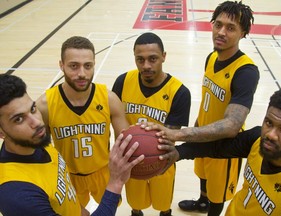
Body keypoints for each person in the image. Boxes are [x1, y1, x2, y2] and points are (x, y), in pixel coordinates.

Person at [149, 1, 258, 215]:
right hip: (203, 133)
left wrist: (179, 134)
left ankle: (211, 210)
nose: (221, 32)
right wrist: (197, 127)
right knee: (202, 173)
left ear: (243, 33)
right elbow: (209, 98)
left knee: (218, 193)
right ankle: (202, 201)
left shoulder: (246, 71)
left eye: (231, 27)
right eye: (218, 24)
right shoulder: (212, 57)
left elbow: (231, 126)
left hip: (224, 145)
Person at [0, 74, 144, 216]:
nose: (37, 122)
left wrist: (79, 209)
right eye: (19, 119)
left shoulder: (35, 143)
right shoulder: (18, 196)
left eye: (32, 109)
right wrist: (115, 183)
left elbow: (61, 187)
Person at [154, 86, 281, 215]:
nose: (271, 134)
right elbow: (217, 148)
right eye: (269, 123)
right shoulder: (256, 139)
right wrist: (179, 152)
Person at [36, 36, 130, 209]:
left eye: (88, 66)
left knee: (109, 210)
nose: (82, 73)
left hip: (103, 171)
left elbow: (126, 141)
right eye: (74, 66)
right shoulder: (45, 105)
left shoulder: (109, 98)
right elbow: (41, 152)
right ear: (61, 65)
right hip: (67, 175)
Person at [112, 32, 191, 216]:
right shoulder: (122, 82)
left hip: (161, 161)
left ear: (164, 56)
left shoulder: (179, 92)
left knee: (163, 204)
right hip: (131, 160)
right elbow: (116, 122)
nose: (146, 65)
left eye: (152, 59)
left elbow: (170, 138)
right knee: (135, 203)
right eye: (140, 59)